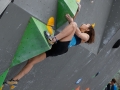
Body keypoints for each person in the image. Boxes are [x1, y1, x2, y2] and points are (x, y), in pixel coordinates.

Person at [6, 13, 95, 86]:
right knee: (31, 61)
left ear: (88, 29)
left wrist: (73, 22)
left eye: (86, 24)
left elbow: (77, 32)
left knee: (74, 24)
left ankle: (53, 39)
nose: (84, 23)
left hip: (60, 46)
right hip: (57, 47)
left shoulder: (86, 36)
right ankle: (15, 80)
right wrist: (77, 11)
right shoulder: (74, 30)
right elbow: (72, 24)